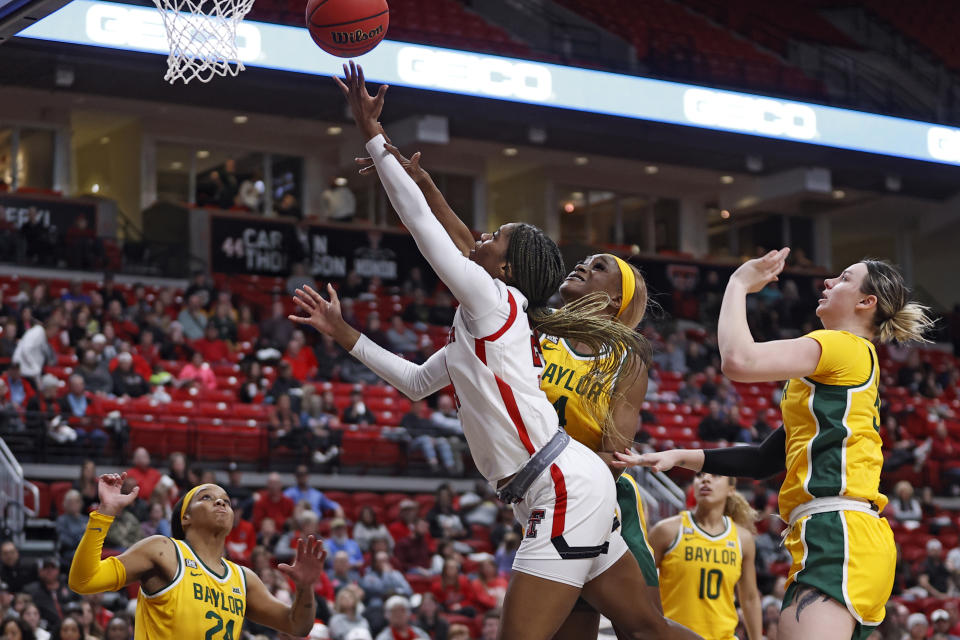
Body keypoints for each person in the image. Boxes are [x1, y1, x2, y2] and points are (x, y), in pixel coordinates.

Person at [292, 61, 700, 640]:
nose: (480, 237)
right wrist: (345, 335)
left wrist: (374, 137)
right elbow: (414, 383)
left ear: (505, 268)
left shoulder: (495, 301)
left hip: (559, 485)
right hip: (555, 483)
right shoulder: (483, 327)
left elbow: (424, 229)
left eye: (494, 237)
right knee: (647, 629)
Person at [361, 147, 659, 639]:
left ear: (615, 300)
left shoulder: (625, 354)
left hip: (586, 489)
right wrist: (427, 184)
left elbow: (617, 449)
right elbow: (475, 255)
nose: (583, 264)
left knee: (644, 630)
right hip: (549, 485)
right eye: (585, 259)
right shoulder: (534, 323)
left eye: (599, 266)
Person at [616, 253, 935, 640]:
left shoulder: (842, 346)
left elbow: (738, 360)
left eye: (844, 278)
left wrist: (737, 285)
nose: (828, 282)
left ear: (866, 302)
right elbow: (764, 458)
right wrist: (682, 456)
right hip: (842, 533)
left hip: (839, 531)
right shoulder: (830, 374)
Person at [67, 473, 326, 639]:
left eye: (226, 500)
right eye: (207, 497)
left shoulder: (243, 578)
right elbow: (84, 580)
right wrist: (104, 515)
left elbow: (297, 625)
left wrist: (304, 588)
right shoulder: (164, 551)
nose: (221, 502)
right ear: (186, 517)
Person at [647, 472, 762, 640]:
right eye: (700, 475)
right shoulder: (666, 531)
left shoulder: (743, 539)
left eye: (715, 475)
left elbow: (750, 598)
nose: (705, 479)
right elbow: (641, 584)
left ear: (731, 489)